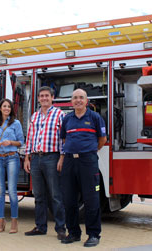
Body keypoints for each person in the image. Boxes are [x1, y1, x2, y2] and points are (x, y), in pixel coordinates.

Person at [60, 88, 107, 247]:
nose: (78, 100)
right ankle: (73, 233)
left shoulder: (95, 117)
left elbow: (102, 139)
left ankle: (94, 234)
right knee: (69, 199)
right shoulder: (67, 119)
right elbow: (64, 140)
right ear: (71, 102)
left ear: (86, 101)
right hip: (69, 161)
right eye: (75, 98)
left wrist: (88, 151)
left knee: (91, 199)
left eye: (81, 97)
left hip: (88, 162)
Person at [24, 86, 66, 240]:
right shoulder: (34, 116)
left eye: (47, 96)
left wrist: (62, 158)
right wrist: (27, 158)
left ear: (52, 97)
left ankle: (61, 229)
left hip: (52, 158)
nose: (44, 98)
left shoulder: (60, 115)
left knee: (55, 195)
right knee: (39, 195)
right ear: (38, 98)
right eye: (41, 96)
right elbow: (29, 138)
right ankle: (40, 227)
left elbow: (64, 139)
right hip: (35, 158)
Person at [0, 99, 24, 234]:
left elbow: (21, 142)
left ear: (11, 109)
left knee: (12, 191)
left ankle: (14, 221)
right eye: (4, 106)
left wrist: (10, 142)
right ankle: (1, 220)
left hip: (12, 157)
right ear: (0, 108)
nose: (6, 108)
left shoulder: (16, 123)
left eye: (8, 106)